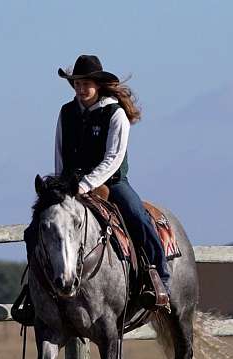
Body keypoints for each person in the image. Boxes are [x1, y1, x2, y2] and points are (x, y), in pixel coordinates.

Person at [55, 54, 171, 299]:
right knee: (44, 223)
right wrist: (61, 186)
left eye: (86, 83)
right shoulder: (66, 113)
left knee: (137, 215)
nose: (81, 88)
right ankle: (40, 287)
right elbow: (60, 152)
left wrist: (86, 185)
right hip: (72, 184)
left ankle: (161, 278)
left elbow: (113, 158)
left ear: (97, 85)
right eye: (77, 83)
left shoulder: (114, 113)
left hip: (111, 182)